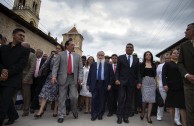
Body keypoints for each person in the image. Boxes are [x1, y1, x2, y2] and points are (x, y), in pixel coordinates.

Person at [0, 28, 30, 126]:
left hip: (13, 79)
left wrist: (7, 72)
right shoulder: (3, 48)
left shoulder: (25, 51)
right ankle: (13, 115)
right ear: (13, 35)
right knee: (5, 99)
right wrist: (2, 70)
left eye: (23, 36)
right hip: (1, 76)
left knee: (4, 100)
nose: (22, 37)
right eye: (20, 35)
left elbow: (21, 66)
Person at [51, 38, 83, 123]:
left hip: (73, 78)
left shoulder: (77, 56)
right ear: (67, 46)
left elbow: (80, 69)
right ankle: (61, 114)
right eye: (72, 45)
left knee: (74, 96)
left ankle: (74, 111)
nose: (74, 46)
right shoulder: (60, 54)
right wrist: (54, 76)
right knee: (62, 97)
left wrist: (80, 78)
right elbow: (55, 66)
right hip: (62, 78)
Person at [34, 44, 64, 118]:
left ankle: (55, 110)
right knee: (45, 92)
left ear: (62, 50)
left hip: (60, 77)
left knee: (58, 94)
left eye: (59, 48)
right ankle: (41, 110)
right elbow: (45, 64)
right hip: (50, 76)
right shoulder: (52, 56)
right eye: (56, 48)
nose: (57, 50)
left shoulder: (64, 57)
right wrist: (39, 73)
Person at [115, 43, 141, 124]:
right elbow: (117, 70)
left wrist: (139, 82)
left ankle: (126, 116)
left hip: (131, 83)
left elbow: (138, 72)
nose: (129, 48)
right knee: (121, 99)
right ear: (125, 49)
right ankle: (119, 116)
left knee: (129, 100)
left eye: (131, 47)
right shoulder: (120, 57)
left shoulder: (136, 59)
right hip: (122, 82)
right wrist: (116, 79)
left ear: (133, 49)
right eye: (128, 47)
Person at [87, 51, 113, 121]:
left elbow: (111, 76)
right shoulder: (93, 65)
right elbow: (90, 75)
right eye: (99, 55)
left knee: (102, 100)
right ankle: (93, 114)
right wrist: (88, 84)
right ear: (97, 56)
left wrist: (110, 84)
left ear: (104, 56)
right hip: (95, 84)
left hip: (104, 84)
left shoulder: (108, 65)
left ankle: (100, 114)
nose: (100, 57)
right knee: (94, 99)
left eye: (102, 55)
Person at [163, 49, 186, 126]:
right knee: (171, 106)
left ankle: (184, 124)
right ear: (171, 55)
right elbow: (163, 75)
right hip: (171, 87)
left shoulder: (181, 64)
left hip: (181, 87)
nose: (176, 54)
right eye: (174, 53)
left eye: (177, 53)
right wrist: (165, 84)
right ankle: (172, 124)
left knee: (182, 106)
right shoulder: (167, 64)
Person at [178, 23, 194, 126]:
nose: (185, 31)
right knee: (190, 111)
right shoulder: (183, 46)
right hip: (189, 84)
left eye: (188, 29)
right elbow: (180, 63)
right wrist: (187, 75)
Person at [140, 51, 156, 124]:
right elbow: (140, 74)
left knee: (151, 99)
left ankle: (148, 116)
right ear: (145, 56)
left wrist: (157, 84)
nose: (148, 56)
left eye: (150, 54)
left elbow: (155, 75)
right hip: (144, 82)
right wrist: (139, 83)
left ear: (151, 56)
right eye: (147, 54)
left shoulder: (153, 64)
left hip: (152, 82)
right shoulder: (142, 64)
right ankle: (143, 111)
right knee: (145, 99)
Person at [21, 42, 36, 117]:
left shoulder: (32, 55)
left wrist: (27, 78)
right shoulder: (18, 54)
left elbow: (32, 68)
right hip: (16, 77)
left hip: (26, 78)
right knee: (12, 94)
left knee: (26, 95)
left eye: (22, 46)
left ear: (27, 47)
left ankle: (26, 110)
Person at [30, 49, 46, 113]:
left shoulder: (44, 61)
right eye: (37, 52)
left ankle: (33, 107)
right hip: (32, 78)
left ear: (42, 54)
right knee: (32, 92)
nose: (38, 54)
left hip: (40, 79)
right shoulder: (32, 59)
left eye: (40, 53)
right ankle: (33, 105)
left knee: (37, 92)